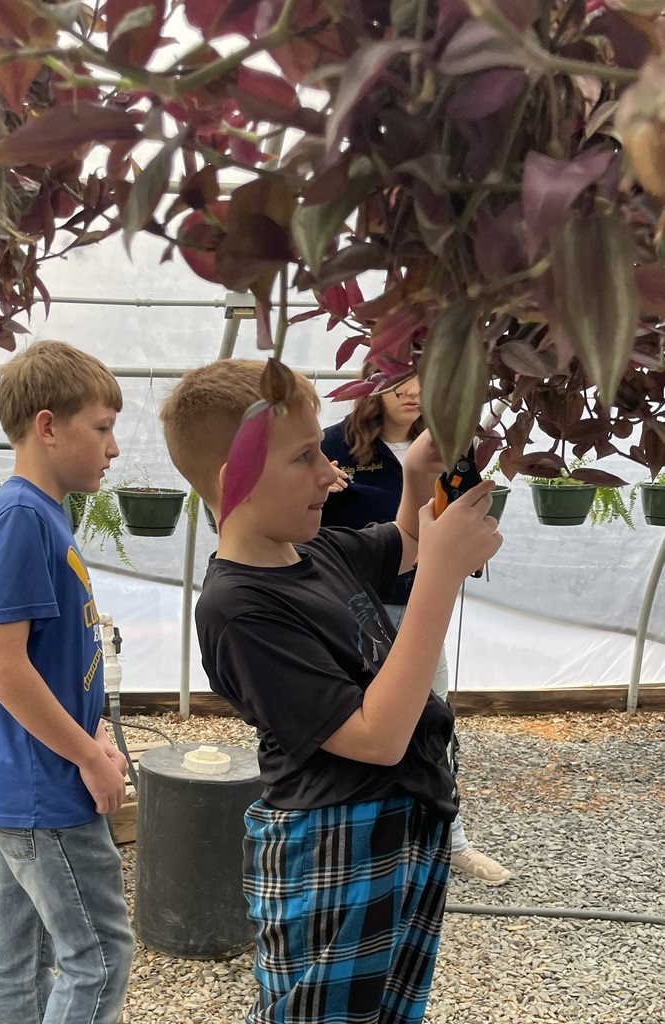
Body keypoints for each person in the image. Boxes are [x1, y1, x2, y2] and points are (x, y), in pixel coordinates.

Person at [160, 357, 502, 1024]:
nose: (331, 472)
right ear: (238, 481)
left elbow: (404, 540)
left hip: (404, 822)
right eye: (305, 456)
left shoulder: (315, 552)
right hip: (334, 844)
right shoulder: (238, 606)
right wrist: (441, 574)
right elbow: (374, 739)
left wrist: (416, 480)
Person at [0, 340, 134, 1024]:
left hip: (21, 784)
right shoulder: (21, 519)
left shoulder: (45, 515)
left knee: (15, 959)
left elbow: (46, 656)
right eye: (101, 428)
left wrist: (95, 729)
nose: (111, 448)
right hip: (47, 789)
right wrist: (84, 757)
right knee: (100, 956)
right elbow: (2, 666)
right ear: (48, 427)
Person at [320, 371, 511, 886]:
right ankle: (368, 847)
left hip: (418, 609)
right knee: (357, 727)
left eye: (426, 380)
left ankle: (451, 842)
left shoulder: (447, 448)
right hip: (354, 612)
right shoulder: (336, 445)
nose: (411, 391)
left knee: (432, 727)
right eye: (399, 379)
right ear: (372, 385)